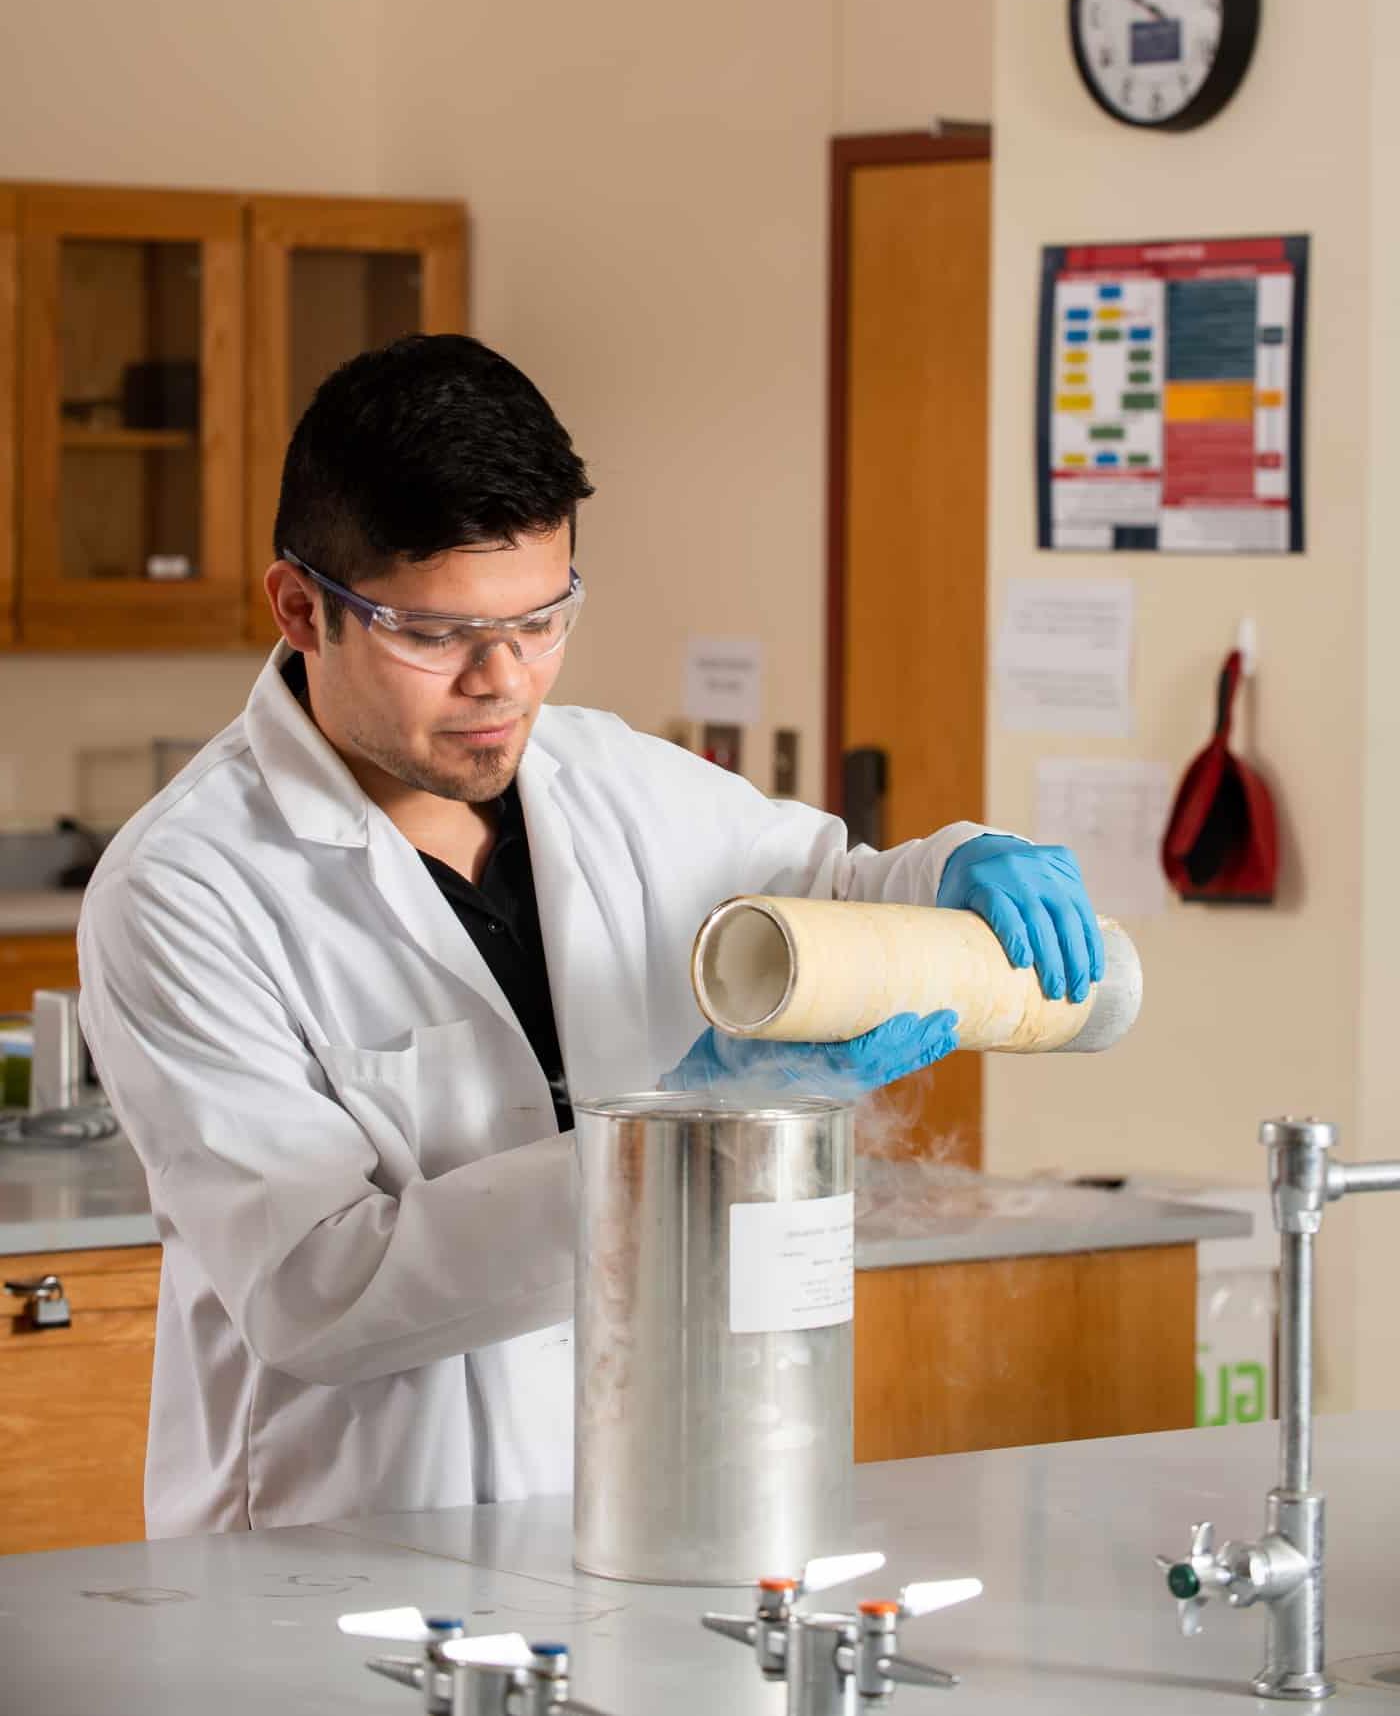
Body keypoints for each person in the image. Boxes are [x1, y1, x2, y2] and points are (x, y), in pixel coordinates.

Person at [78, 335, 1102, 1539]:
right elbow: (315, 1293)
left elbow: (835, 882)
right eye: (436, 635)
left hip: (639, 1503)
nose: (502, 682)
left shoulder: (613, 780)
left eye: (543, 618)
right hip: (342, 1539)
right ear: (303, 608)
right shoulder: (188, 886)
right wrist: (663, 1147)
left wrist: (957, 863)